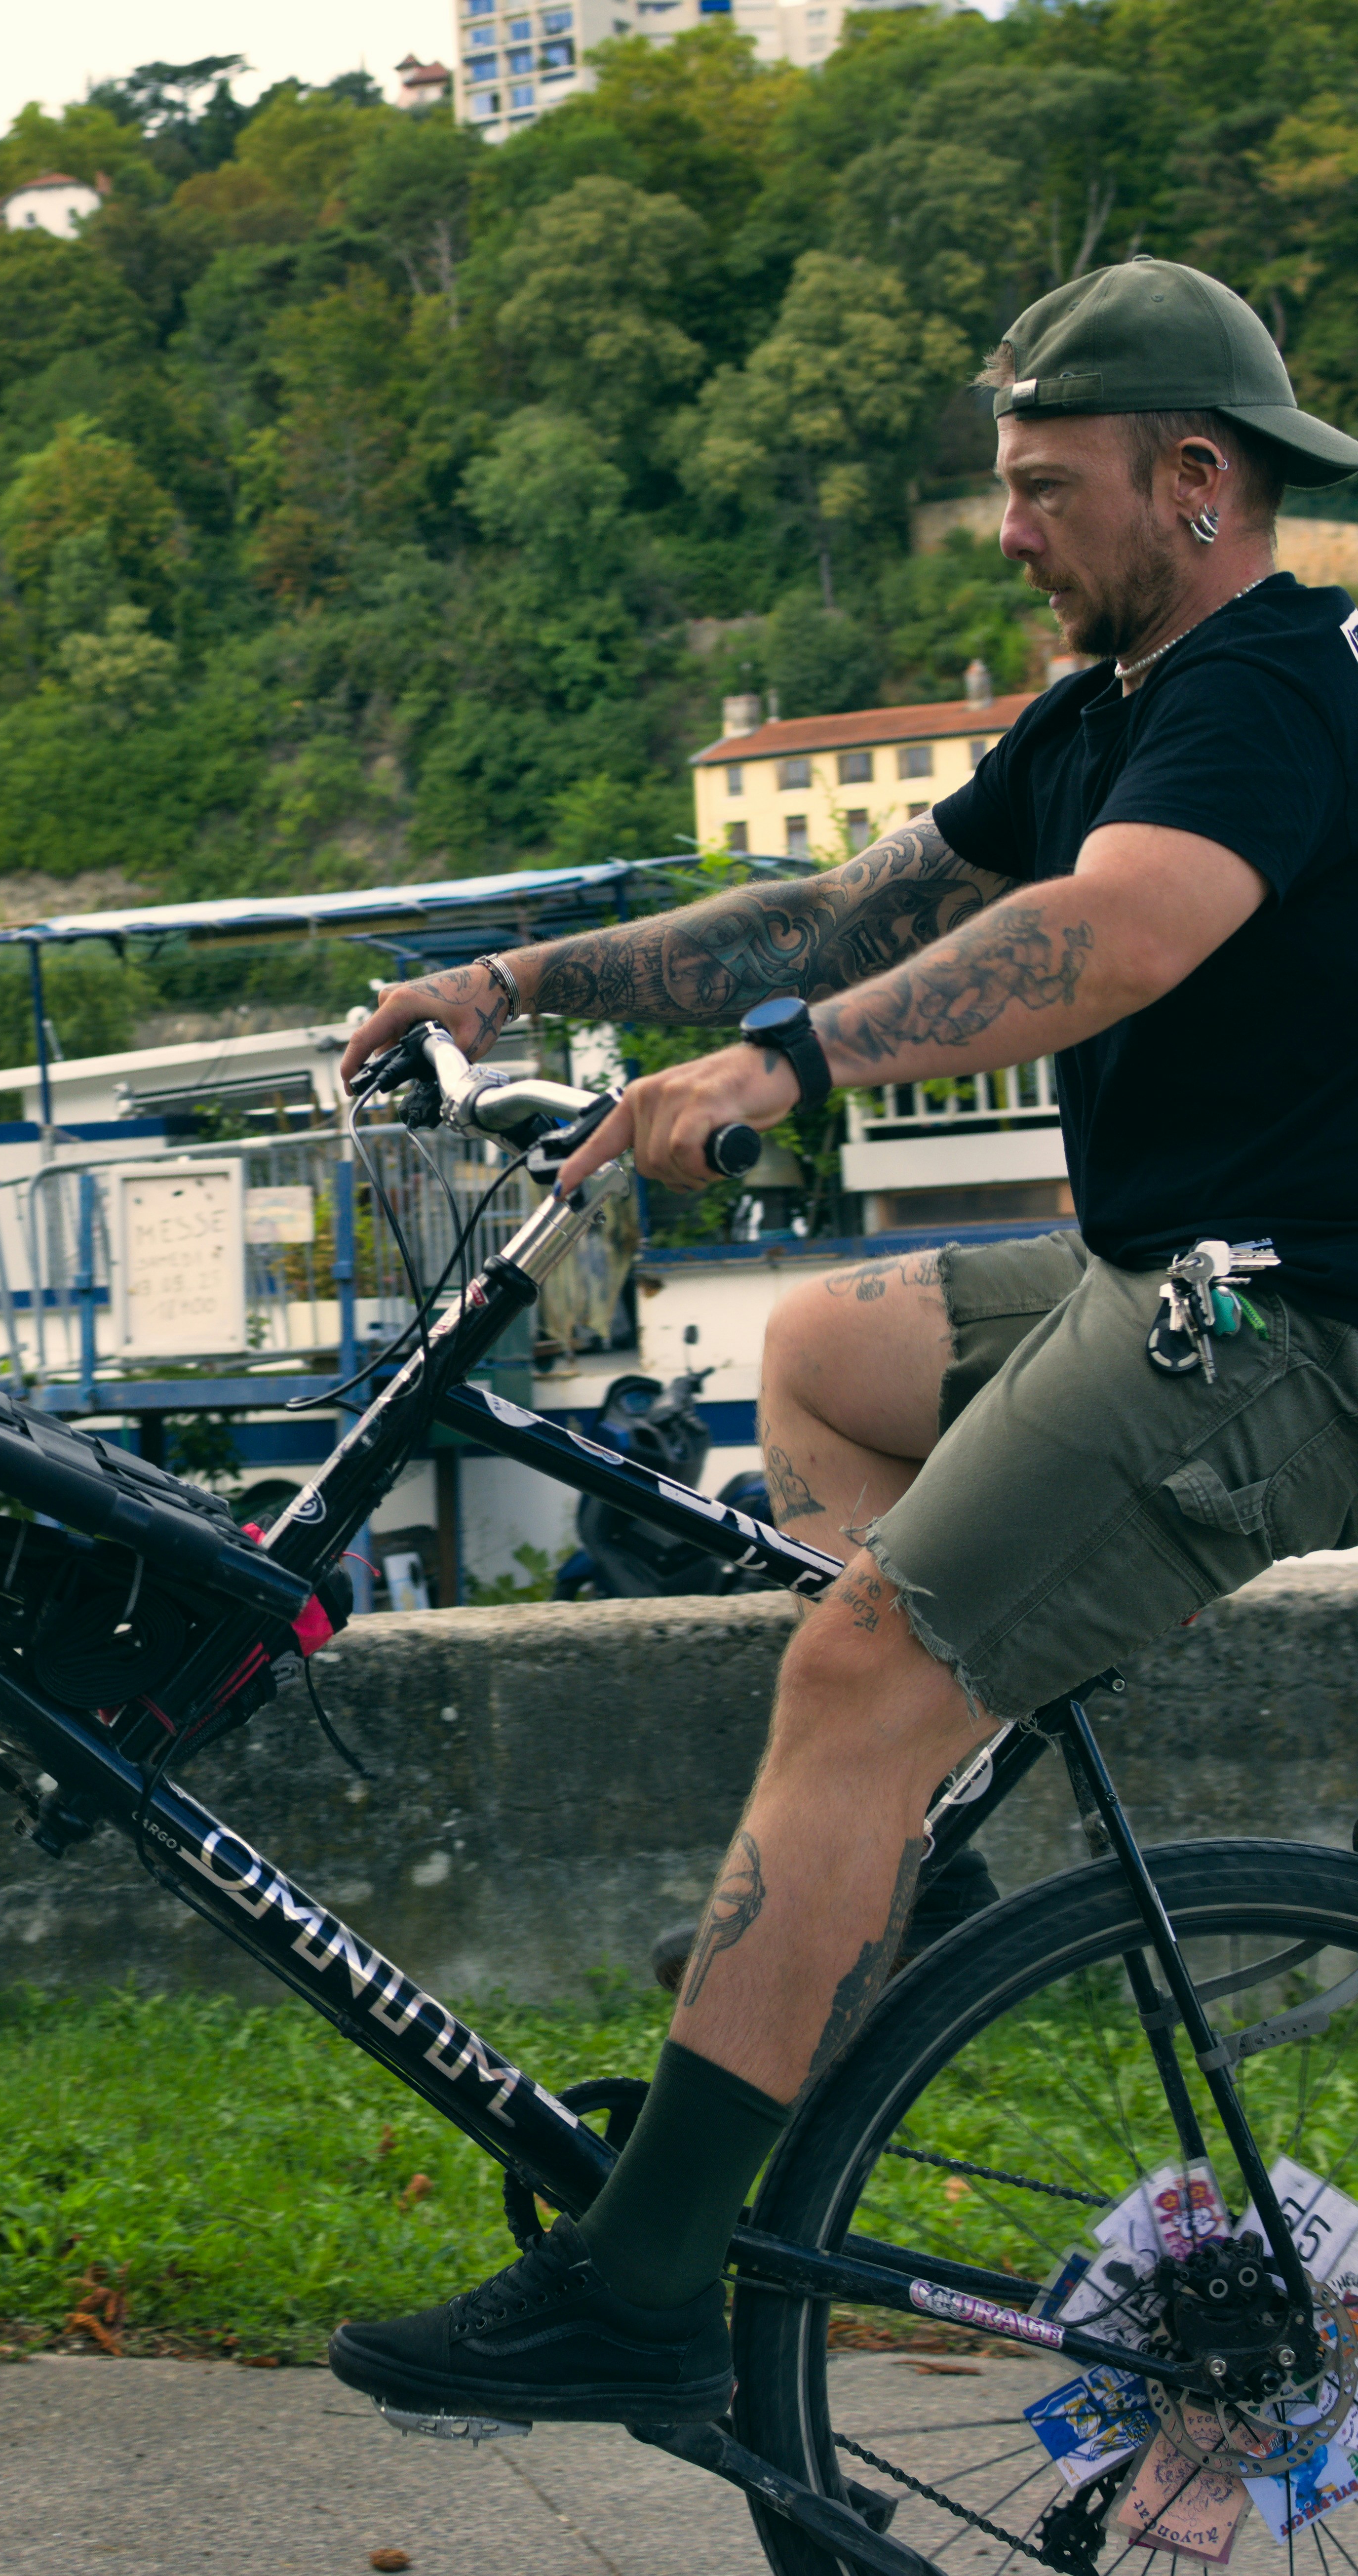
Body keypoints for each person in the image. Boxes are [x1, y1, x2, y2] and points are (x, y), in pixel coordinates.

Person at [325, 255, 1358, 2432]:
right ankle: (883, 1891)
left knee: (858, 1665)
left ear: (1192, 478)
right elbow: (834, 908)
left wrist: (789, 1074)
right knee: (820, 1353)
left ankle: (633, 2282)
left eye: (1035, 487)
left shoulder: (1262, 685)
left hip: (1279, 1319)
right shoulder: (1111, 701)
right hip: (1151, 1267)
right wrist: (511, 986)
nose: (1003, 530)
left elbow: (1118, 928)